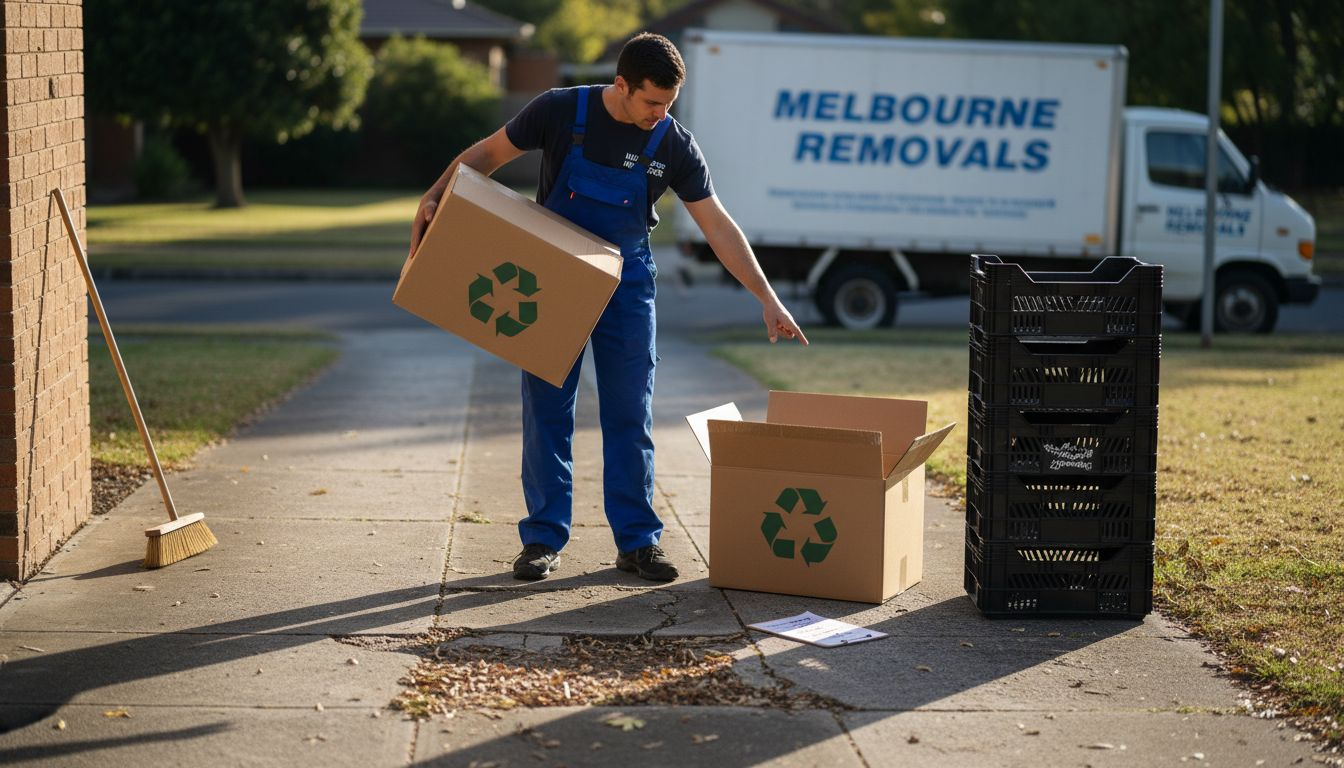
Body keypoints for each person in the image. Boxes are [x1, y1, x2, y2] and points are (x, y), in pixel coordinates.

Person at [409, 32, 807, 583]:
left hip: (628, 283)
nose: (660, 114)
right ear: (621, 85)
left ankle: (638, 542)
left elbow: (715, 223)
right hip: (550, 278)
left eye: (669, 104)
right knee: (548, 408)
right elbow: (485, 156)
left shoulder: (672, 144)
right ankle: (543, 540)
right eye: (651, 102)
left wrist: (767, 296)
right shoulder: (558, 110)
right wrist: (434, 196)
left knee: (629, 410)